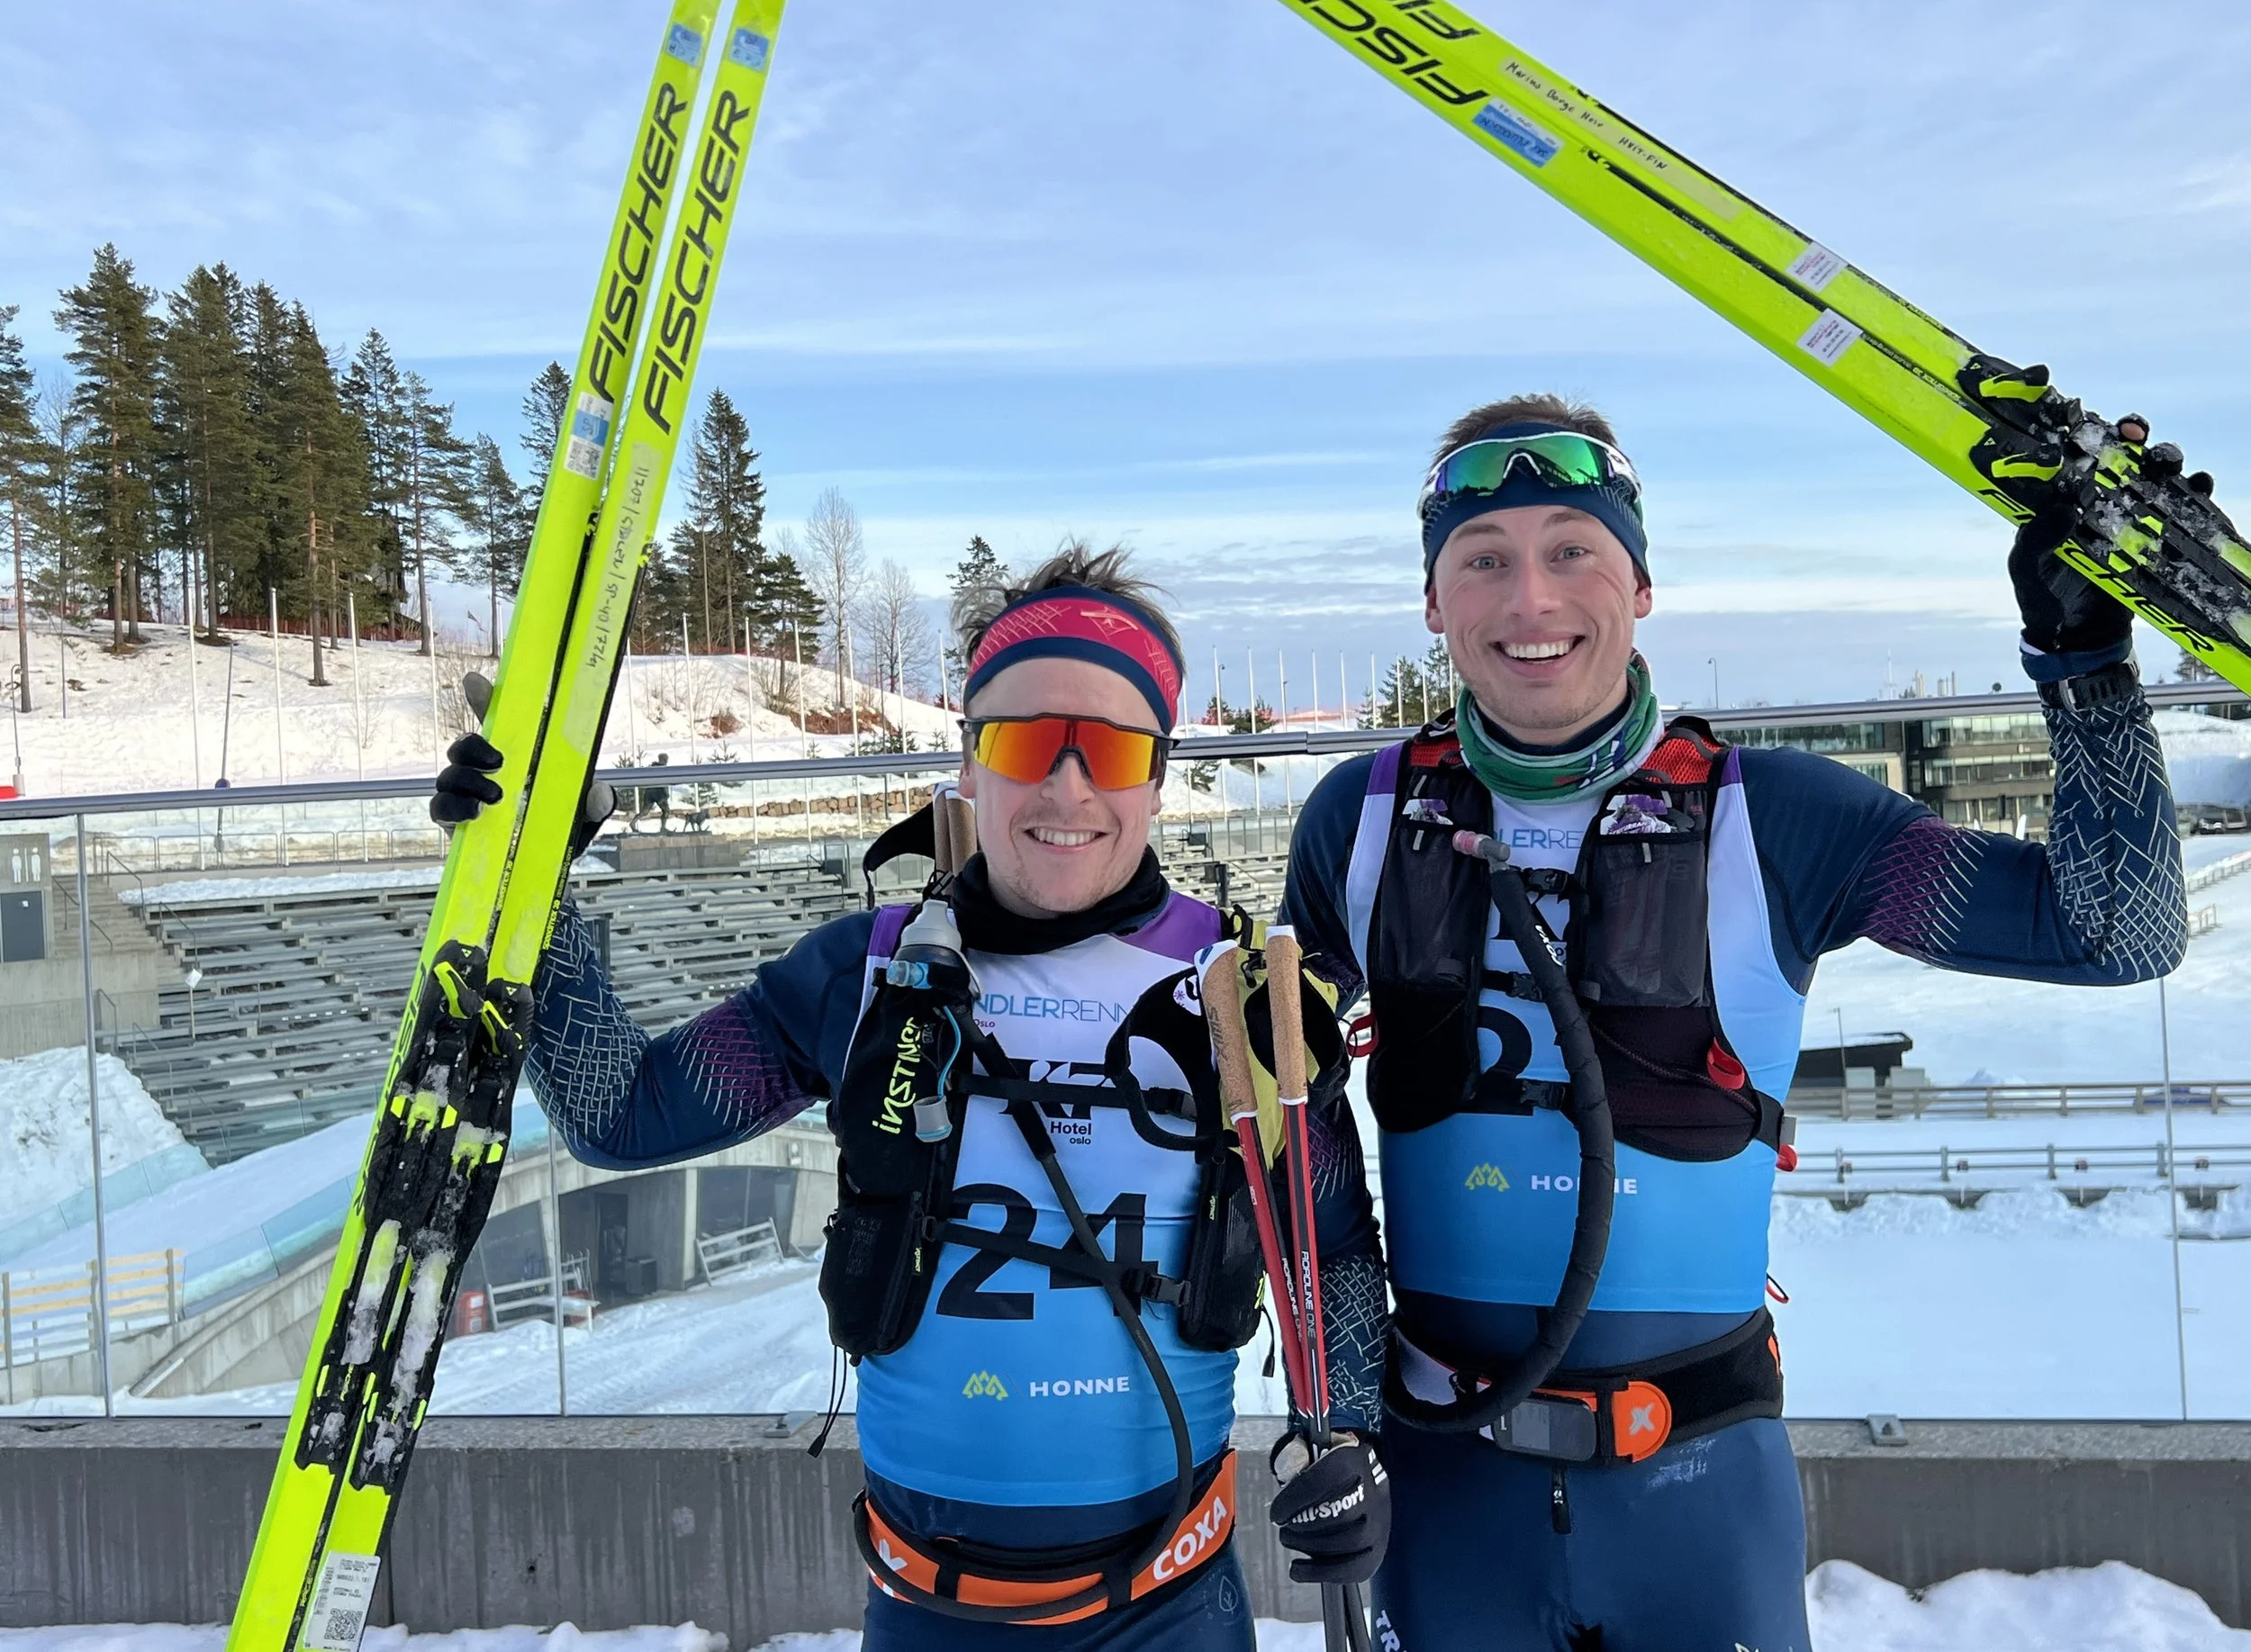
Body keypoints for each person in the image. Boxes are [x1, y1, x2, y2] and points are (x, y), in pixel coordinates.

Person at [1280, 395, 2188, 1650]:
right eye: (1483, 559)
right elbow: (1280, 1100)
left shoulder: (1784, 816)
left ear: (1638, 582)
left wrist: (2084, 661)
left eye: (1571, 550)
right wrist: (1339, 1405)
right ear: (1435, 601)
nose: (1530, 600)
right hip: (1445, 1495)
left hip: (1701, 1493)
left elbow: (2117, 933)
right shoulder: (1359, 818)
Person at [432, 545, 1391, 1649]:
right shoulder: (866, 977)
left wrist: (1353, 1441)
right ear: (971, 764)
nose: (1066, 787)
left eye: (1112, 749)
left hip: (1169, 1610)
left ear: (1157, 774)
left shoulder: (1242, 1002)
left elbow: (1334, 1257)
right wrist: (534, 877)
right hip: (928, 1610)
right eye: (1027, 743)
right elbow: (619, 1115)